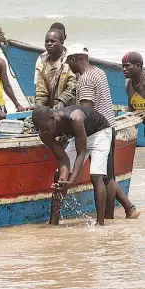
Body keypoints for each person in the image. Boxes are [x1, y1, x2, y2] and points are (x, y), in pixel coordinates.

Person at [66, 44, 140, 219]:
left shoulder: (85, 79)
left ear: (74, 59)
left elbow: (86, 111)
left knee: (104, 178)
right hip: (109, 126)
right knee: (108, 176)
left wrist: (71, 131)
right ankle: (123, 211)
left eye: (68, 62)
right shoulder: (99, 72)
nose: (68, 67)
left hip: (98, 131)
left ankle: (113, 215)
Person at [32, 105, 113, 226]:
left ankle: (100, 223)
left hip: (100, 133)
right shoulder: (43, 133)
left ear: (52, 118)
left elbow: (82, 152)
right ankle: (53, 222)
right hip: (79, 136)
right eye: (41, 129)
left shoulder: (75, 118)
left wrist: (72, 181)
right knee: (59, 176)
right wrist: (63, 181)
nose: (45, 132)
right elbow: (62, 158)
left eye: (46, 128)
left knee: (96, 176)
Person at [34, 29, 76, 108]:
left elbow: (72, 86)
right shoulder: (42, 62)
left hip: (69, 107)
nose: (49, 44)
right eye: (47, 41)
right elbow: (41, 91)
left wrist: (62, 103)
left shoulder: (69, 60)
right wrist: (39, 105)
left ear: (62, 42)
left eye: (53, 41)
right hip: (51, 107)